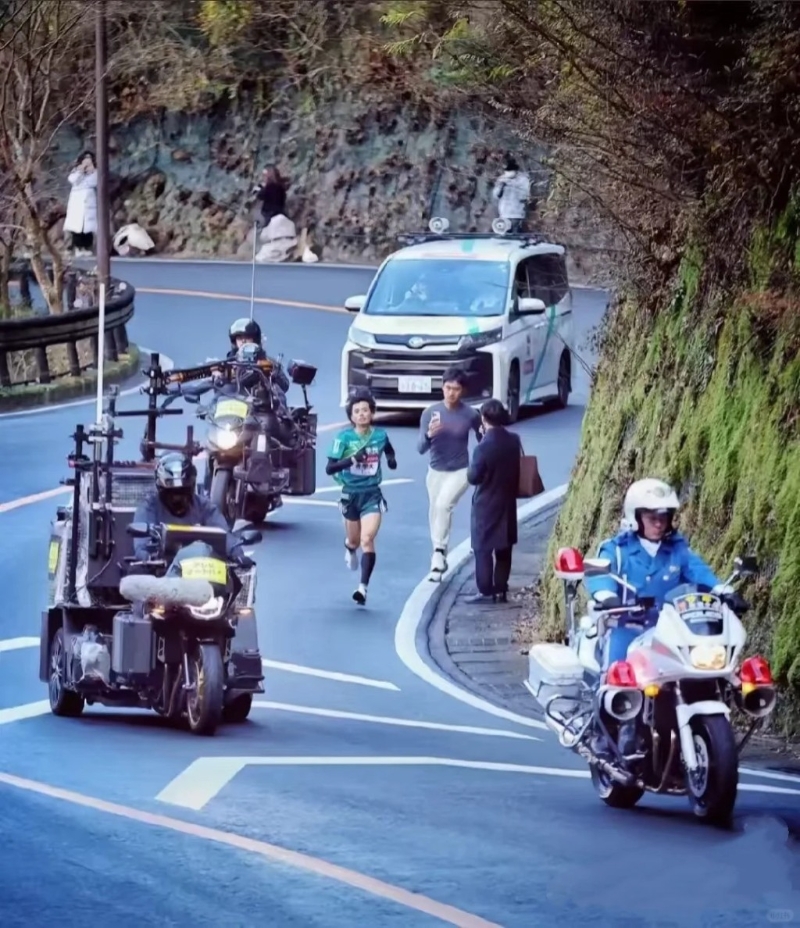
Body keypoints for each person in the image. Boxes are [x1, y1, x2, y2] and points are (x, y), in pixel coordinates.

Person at [585, 477, 745, 759]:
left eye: (664, 516)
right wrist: (606, 597)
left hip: (668, 631)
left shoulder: (678, 550)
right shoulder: (616, 549)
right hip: (628, 627)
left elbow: (701, 573)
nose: (659, 522)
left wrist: (725, 591)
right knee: (617, 677)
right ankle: (608, 734)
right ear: (636, 517)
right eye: (652, 516)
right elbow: (598, 576)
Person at [326, 389, 397, 605]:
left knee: (367, 539)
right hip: (350, 495)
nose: (362, 414)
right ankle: (349, 547)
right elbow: (330, 468)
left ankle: (362, 588)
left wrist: (392, 461)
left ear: (372, 413)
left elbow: (389, 450)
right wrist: (351, 460)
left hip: (371, 495)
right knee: (355, 540)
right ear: (351, 417)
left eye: (365, 410)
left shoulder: (380, 435)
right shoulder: (343, 438)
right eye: (357, 411)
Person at [132, 452, 253, 568]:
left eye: (182, 492)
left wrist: (238, 554)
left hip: (202, 570)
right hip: (162, 571)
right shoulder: (148, 507)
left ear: (191, 488)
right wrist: (146, 557)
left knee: (235, 581)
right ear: (160, 490)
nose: (177, 498)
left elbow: (224, 535)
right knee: (134, 576)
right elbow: (141, 544)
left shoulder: (205, 507)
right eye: (172, 493)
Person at [417, 367, 482, 582]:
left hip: (461, 470)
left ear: (462, 390)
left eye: (456, 389)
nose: (451, 393)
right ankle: (440, 555)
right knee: (435, 512)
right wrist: (429, 435)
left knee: (444, 505)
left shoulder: (470, 414)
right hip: (435, 470)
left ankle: (438, 554)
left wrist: (485, 462)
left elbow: (483, 439)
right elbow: (420, 448)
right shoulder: (430, 413)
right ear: (442, 387)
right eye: (447, 388)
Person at [465, 399, 521, 604]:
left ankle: (485, 589)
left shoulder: (483, 447)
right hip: (507, 500)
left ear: (484, 418)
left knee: (483, 548)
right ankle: (500, 588)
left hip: (486, 503)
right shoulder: (514, 440)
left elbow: (473, 477)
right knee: (504, 547)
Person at [226, 317, 290, 397]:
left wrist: (272, 373)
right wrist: (216, 374)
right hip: (234, 404)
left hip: (261, 405)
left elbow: (285, 385)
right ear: (234, 341)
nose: (243, 341)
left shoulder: (268, 362)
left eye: (247, 337)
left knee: (278, 394)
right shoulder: (227, 364)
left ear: (255, 340)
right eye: (239, 338)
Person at [64, 151, 98, 257]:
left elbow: (95, 182)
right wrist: (81, 170)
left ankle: (86, 247)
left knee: (88, 228)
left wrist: (91, 171)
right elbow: (72, 180)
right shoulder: (76, 171)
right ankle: (77, 248)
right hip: (77, 203)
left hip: (89, 203)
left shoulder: (95, 172)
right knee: (76, 227)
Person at [491, 155, 531, 233]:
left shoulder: (523, 180)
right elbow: (495, 195)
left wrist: (514, 185)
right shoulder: (501, 179)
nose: (508, 172)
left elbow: (525, 196)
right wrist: (501, 186)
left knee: (515, 235)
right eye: (507, 171)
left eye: (510, 170)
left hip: (517, 214)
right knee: (504, 234)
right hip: (504, 214)